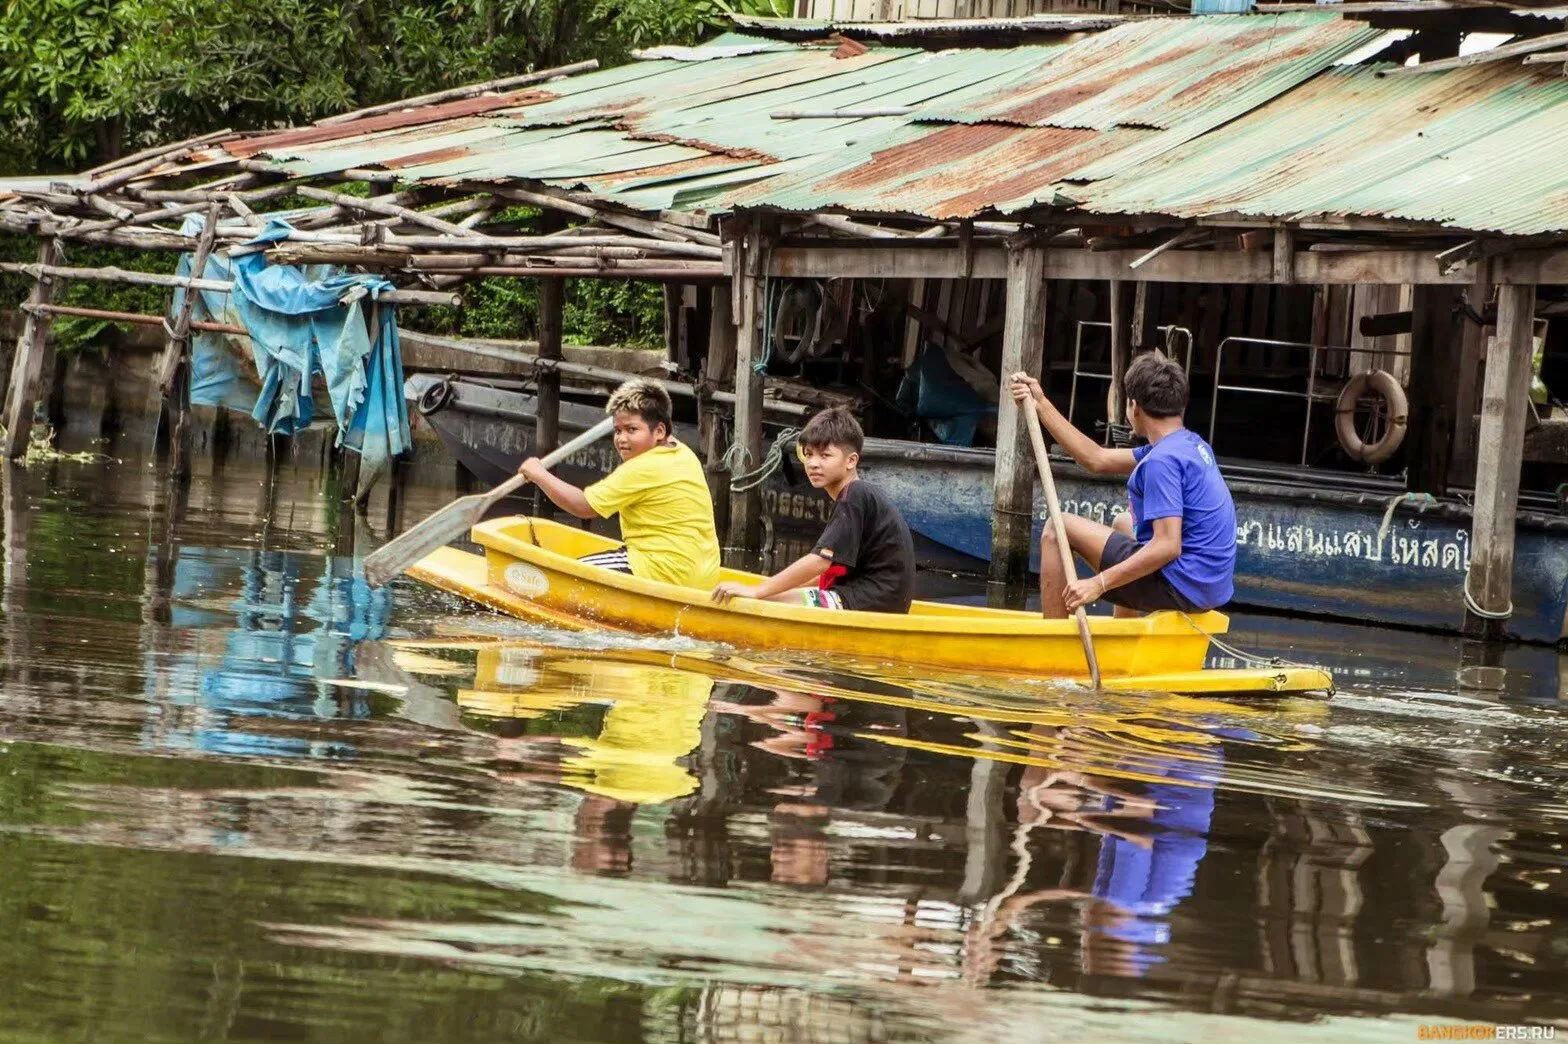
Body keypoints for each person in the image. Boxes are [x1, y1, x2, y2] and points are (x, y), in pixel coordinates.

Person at [1007, 352, 1235, 619]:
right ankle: (1123, 634)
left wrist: (1098, 583)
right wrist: (1041, 404)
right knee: (1123, 522)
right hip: (1206, 587)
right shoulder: (1190, 444)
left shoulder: (1162, 461)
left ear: (1133, 406)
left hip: (1181, 587)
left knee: (1057, 529)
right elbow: (1096, 458)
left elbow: (1167, 546)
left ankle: (1054, 640)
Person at [518, 378, 721, 589]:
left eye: (632, 430)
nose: (621, 439)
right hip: (702, 576)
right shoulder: (682, 452)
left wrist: (539, 474)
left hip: (661, 569)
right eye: (617, 430)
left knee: (565, 576)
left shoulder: (641, 468)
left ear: (659, 431)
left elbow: (583, 507)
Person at [711, 406, 914, 612]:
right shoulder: (858, 494)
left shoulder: (855, 495)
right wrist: (782, 588)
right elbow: (830, 571)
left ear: (851, 461)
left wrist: (758, 591)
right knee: (774, 594)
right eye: (808, 454)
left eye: (825, 456)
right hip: (877, 600)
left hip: (870, 602)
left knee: (761, 601)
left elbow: (820, 561)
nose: (813, 464)